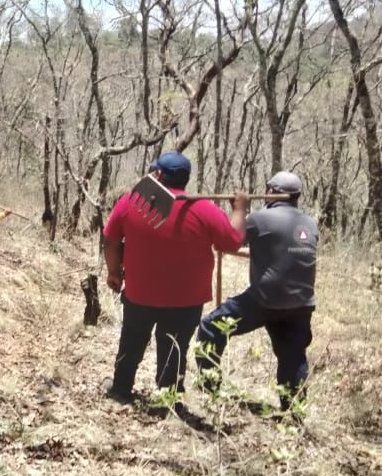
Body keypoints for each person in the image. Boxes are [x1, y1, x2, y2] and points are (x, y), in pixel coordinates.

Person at [102, 151, 248, 403]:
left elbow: (111, 240)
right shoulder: (205, 210)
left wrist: (114, 272)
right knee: (173, 350)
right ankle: (166, 400)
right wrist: (240, 209)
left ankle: (121, 390)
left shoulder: (132, 202)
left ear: (158, 175)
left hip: (140, 295)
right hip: (185, 302)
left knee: (132, 341)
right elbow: (233, 241)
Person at [196, 171, 318, 411]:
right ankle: (294, 414)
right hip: (302, 304)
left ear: (272, 192)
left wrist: (240, 209)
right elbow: (280, 251)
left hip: (265, 301)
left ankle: (209, 390)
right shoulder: (309, 223)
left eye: (268, 188)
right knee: (293, 358)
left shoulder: (260, 219)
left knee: (210, 328)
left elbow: (227, 241)